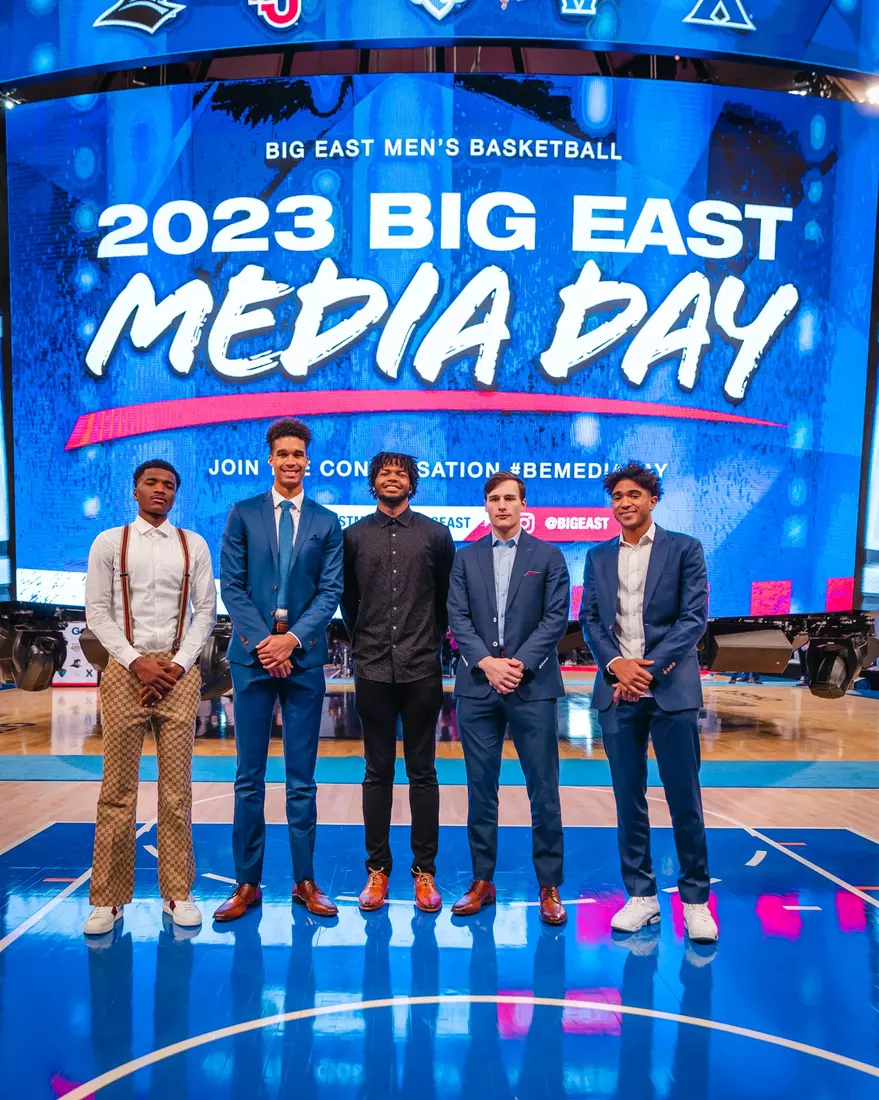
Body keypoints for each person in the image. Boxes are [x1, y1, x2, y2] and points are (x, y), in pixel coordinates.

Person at [579, 461, 717, 944]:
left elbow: (693, 619)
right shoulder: (597, 557)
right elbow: (591, 621)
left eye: (634, 494)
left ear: (652, 499)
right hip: (617, 691)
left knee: (685, 799)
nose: (625, 503)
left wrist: (647, 670)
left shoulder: (685, 549)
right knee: (628, 800)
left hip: (670, 691)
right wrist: (617, 666)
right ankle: (641, 896)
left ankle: (696, 900)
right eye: (617, 496)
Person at [214, 418, 343, 921]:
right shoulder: (242, 513)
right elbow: (233, 585)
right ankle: (247, 883)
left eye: (299, 453)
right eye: (282, 452)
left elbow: (330, 592)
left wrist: (291, 640)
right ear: (269, 458)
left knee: (301, 780)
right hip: (252, 660)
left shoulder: (326, 521)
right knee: (248, 779)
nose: (291, 460)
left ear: (308, 460)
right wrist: (265, 643)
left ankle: (304, 882)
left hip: (304, 660)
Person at [83, 460, 216, 935]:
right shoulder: (109, 543)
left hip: (179, 674)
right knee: (117, 791)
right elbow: (96, 611)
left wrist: (179, 663)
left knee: (177, 792)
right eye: (152, 484)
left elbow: (205, 612)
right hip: (124, 670)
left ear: (176, 494)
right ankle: (107, 899)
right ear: (135, 490)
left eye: (169, 486)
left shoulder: (193, 544)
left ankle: (177, 893)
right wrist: (135, 660)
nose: (161, 491)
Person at [447, 471, 570, 925]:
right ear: (486, 506)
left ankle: (549, 885)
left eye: (510, 499)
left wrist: (516, 664)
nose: (502, 506)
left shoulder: (549, 556)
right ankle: (482, 880)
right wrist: (487, 664)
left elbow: (556, 618)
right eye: (495, 499)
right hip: (479, 688)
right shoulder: (465, 558)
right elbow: (457, 618)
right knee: (481, 791)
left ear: (523, 505)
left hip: (531, 686)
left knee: (544, 791)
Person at [341, 453, 455, 913]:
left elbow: (445, 600)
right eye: (384, 471)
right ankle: (378, 870)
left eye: (402, 473)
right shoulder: (353, 537)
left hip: (422, 669)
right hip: (371, 669)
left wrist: (427, 643)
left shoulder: (435, 535)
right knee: (377, 772)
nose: (393, 478)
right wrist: (366, 642)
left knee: (423, 773)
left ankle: (424, 872)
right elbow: (348, 601)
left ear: (413, 484)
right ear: (373, 483)